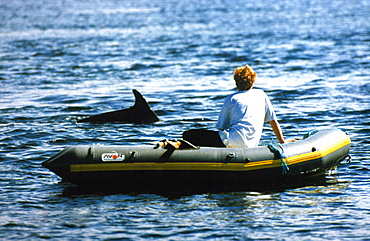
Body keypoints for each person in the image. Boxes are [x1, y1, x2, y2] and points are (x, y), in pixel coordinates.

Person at [182, 64, 287, 148]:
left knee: (189, 135)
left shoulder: (231, 99)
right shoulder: (261, 94)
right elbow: (273, 122)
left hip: (231, 140)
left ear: (236, 82)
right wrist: (282, 141)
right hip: (250, 145)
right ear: (253, 81)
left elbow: (221, 127)